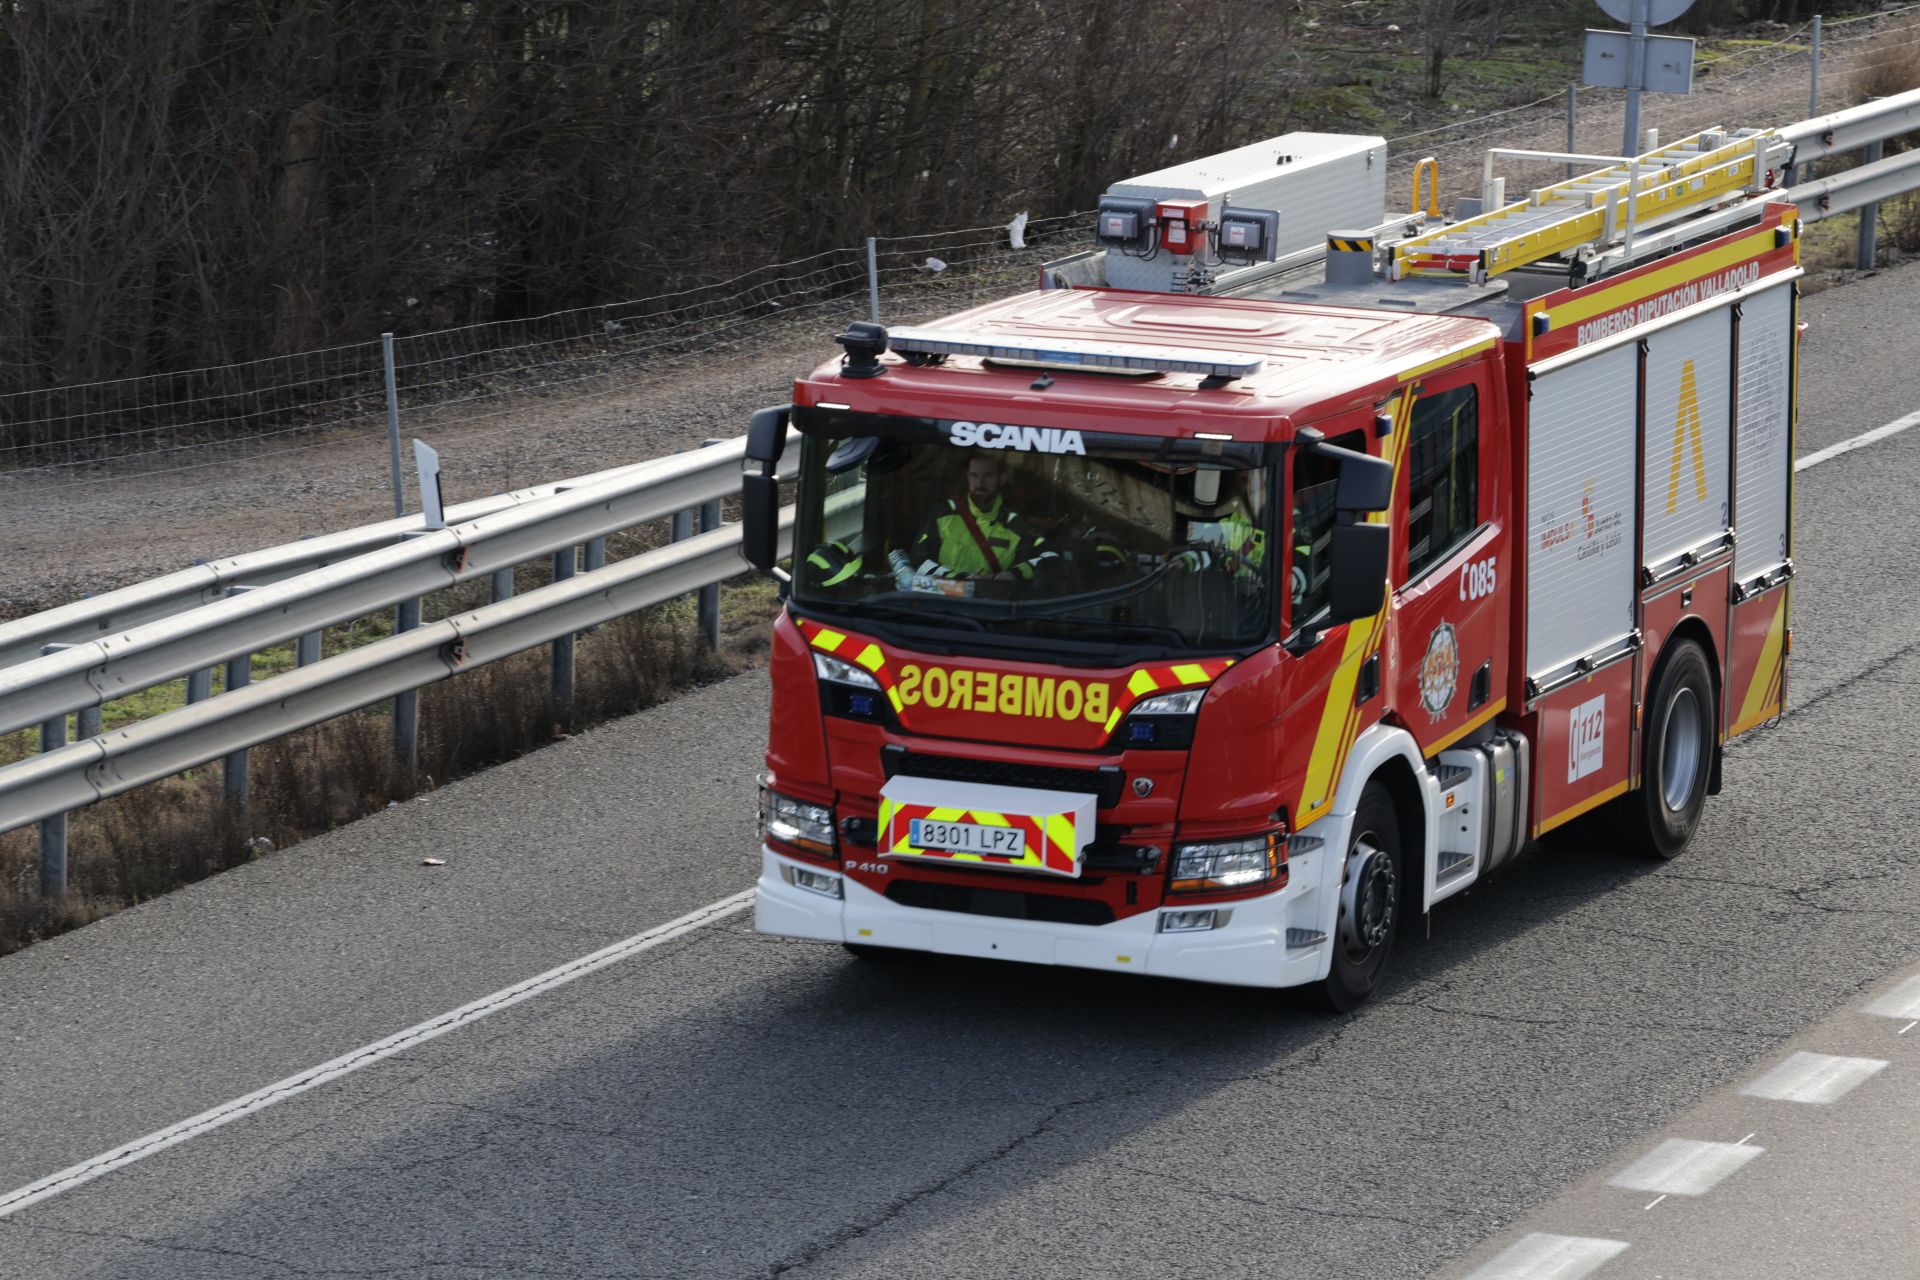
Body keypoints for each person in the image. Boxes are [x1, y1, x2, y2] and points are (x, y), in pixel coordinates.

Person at [907, 451, 1051, 582]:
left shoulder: (1017, 524)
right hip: (943, 604)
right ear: (967, 476)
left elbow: (1047, 558)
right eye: (974, 475)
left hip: (991, 606)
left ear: (1002, 478)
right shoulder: (942, 515)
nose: (980, 483)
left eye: (987, 475)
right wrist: (958, 577)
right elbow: (919, 561)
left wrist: (1012, 574)